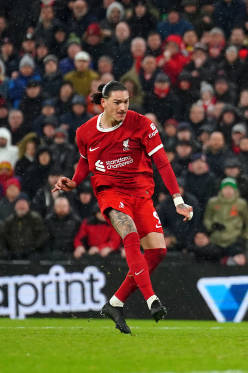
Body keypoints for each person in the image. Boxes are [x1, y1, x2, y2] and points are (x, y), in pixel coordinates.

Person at [52, 81, 193, 334]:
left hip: (140, 194)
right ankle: (152, 299)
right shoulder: (84, 132)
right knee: (128, 231)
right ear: (103, 103)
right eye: (117, 102)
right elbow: (85, 162)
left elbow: (162, 163)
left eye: (126, 101)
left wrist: (178, 200)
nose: (123, 107)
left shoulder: (142, 124)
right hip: (110, 192)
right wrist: (74, 182)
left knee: (158, 252)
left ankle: (115, 303)